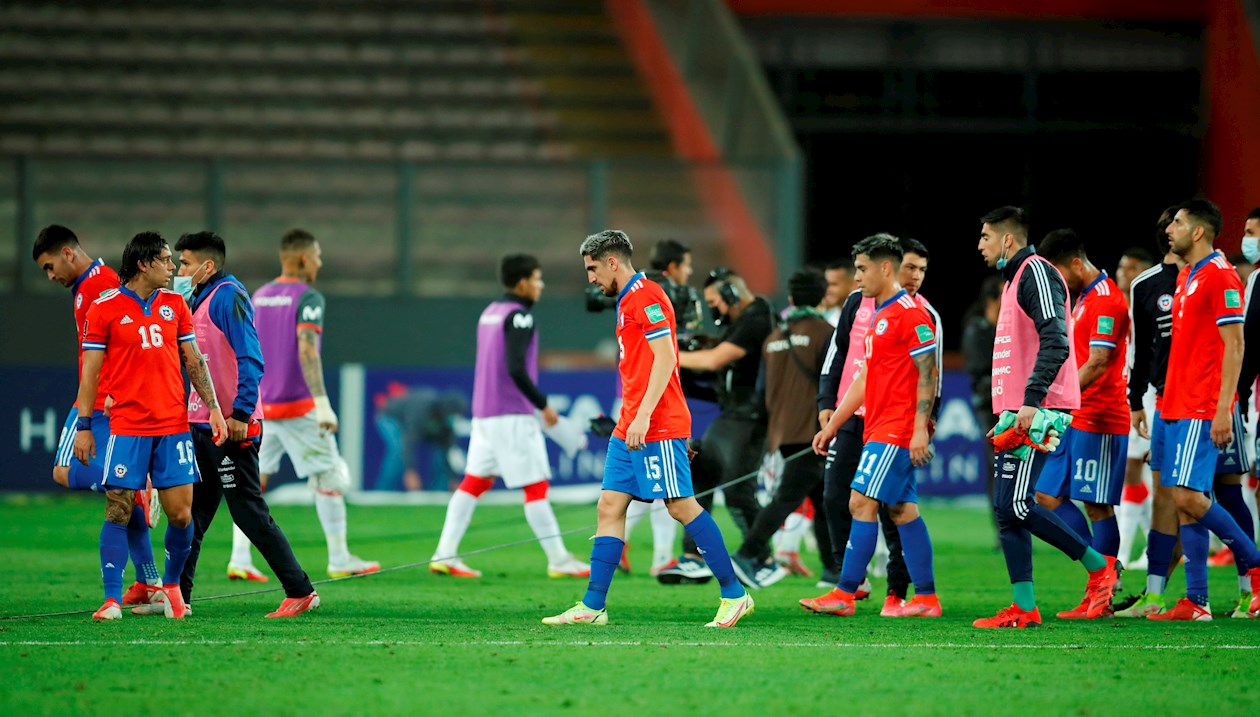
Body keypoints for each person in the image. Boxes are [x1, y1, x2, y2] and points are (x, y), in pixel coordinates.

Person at [543, 230, 752, 627]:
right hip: (632, 424)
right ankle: (592, 607)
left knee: (680, 506)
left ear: (612, 263)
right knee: (610, 505)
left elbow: (665, 357)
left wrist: (642, 417)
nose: (590, 278)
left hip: (657, 423)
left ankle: (735, 595)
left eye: (592, 269)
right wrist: (631, 417)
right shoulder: (625, 301)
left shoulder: (647, 295)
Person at [971, 206, 1119, 629]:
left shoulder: (1035, 271)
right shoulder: (1015, 279)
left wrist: (1032, 400)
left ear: (1007, 240)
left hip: (1037, 407)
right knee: (1007, 508)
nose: (979, 245)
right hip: (1016, 409)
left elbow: (1057, 338)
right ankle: (1024, 606)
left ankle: (1099, 566)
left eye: (984, 237)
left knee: (1016, 503)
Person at [163, 231, 319, 618]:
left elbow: (251, 357)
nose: (179, 270)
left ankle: (301, 590)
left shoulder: (229, 296)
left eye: (184, 263)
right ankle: (178, 597)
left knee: (247, 510)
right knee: (193, 516)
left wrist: (241, 414)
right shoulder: (197, 298)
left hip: (232, 426)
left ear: (207, 265)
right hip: (201, 423)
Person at [75, 231, 228, 620]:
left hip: (173, 425)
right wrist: (84, 424)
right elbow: (90, 374)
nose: (173, 267)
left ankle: (171, 587)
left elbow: (192, 359)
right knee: (119, 508)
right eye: (165, 259)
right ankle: (111, 598)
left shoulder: (175, 303)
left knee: (181, 514)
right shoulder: (104, 308)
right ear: (143, 263)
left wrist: (212, 407)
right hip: (127, 425)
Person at [805, 234, 942, 618]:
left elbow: (928, 373)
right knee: (902, 511)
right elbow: (864, 379)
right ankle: (927, 599)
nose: (857, 277)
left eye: (862, 269)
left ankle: (845, 593)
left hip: (896, 428)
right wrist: (832, 425)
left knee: (859, 502)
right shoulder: (880, 316)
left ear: (885, 268)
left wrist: (919, 428)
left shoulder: (912, 313)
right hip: (878, 425)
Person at [429, 254, 590, 578]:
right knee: (535, 487)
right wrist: (543, 403)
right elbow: (516, 368)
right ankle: (559, 559)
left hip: (484, 414)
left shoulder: (489, 313)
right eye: (537, 279)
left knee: (474, 482)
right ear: (522, 283)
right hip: (511, 414)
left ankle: (444, 553)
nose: (540, 285)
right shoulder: (519, 317)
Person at [232, 229, 378, 581]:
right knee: (329, 476)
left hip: (262, 407)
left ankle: (239, 558)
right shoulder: (308, 297)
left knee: (252, 484)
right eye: (317, 256)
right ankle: (340, 557)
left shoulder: (260, 295)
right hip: (298, 408)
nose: (320, 262)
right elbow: (306, 347)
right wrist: (323, 403)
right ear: (302, 259)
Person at [32, 225, 162, 609]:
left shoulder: (98, 285)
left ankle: (138, 489)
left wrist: (101, 402)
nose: (50, 275)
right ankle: (150, 582)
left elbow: (118, 343)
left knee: (64, 472)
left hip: (100, 402)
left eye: (49, 265)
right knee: (118, 492)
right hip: (107, 399)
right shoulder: (91, 284)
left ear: (68, 253)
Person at [1147, 199, 1260, 621]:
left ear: (1197, 232)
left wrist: (1222, 408)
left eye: (1176, 222)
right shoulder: (1187, 277)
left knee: (1189, 497)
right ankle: (1197, 600)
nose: (1169, 229)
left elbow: (1236, 344)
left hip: (1201, 404)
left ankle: (1255, 563)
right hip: (1175, 402)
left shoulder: (1220, 276)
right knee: (1184, 503)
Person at [1033, 229, 1131, 619]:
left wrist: (1056, 398)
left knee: (1096, 505)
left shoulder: (1107, 300)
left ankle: (1102, 595)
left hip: (1101, 415)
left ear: (1075, 263)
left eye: (1057, 272)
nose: (1055, 282)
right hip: (1075, 413)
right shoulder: (1082, 299)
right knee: (1045, 495)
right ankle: (1101, 568)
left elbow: (1099, 362)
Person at [728, 268, 836, 588]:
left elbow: (762, 394)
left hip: (781, 433)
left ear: (790, 298)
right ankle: (747, 553)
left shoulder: (773, 338)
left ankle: (834, 572)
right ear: (822, 298)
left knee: (823, 500)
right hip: (813, 433)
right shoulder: (826, 333)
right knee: (787, 499)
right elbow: (832, 385)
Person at [666, 268, 774, 582]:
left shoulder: (757, 319)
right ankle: (694, 556)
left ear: (730, 295)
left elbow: (715, 360)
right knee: (702, 469)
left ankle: (762, 558)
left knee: (739, 489)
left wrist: (667, 353)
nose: (713, 308)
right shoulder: (742, 321)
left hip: (752, 417)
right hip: (734, 415)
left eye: (715, 301)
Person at [1113, 208, 1189, 617]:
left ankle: (1243, 577)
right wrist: (1135, 399)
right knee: (1166, 492)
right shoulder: (1147, 287)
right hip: (1158, 401)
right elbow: (1139, 353)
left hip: (1209, 401)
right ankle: (1163, 591)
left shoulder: (1213, 277)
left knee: (1209, 496)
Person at [1114, 247, 1156, 573]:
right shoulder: (1121, 306)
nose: (1122, 273)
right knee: (1135, 473)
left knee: (1136, 471)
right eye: (1120, 267)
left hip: (1147, 398)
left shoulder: (1146, 306)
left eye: (1129, 267)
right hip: (1130, 395)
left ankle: (1125, 552)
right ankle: (1148, 548)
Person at [962, 275, 1004, 546]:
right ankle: (1003, 528)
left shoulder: (1010, 329)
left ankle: (1012, 524)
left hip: (1010, 407)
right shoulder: (977, 330)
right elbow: (978, 375)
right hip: (990, 409)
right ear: (992, 300)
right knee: (998, 467)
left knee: (1007, 467)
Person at [821, 258, 855, 326]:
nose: (827, 289)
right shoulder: (825, 319)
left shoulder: (863, 319)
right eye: (826, 284)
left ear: (853, 285)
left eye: (833, 284)